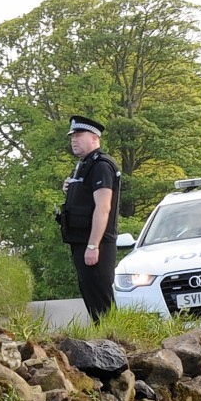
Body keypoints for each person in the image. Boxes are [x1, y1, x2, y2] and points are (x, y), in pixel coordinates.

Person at [58, 115, 121, 321]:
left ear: (94, 137)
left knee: (101, 301)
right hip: (81, 241)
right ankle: (105, 343)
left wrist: (93, 246)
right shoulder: (83, 164)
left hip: (95, 243)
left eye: (79, 135)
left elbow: (103, 207)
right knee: (91, 298)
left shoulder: (101, 165)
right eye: (72, 136)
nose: (73, 140)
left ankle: (114, 344)